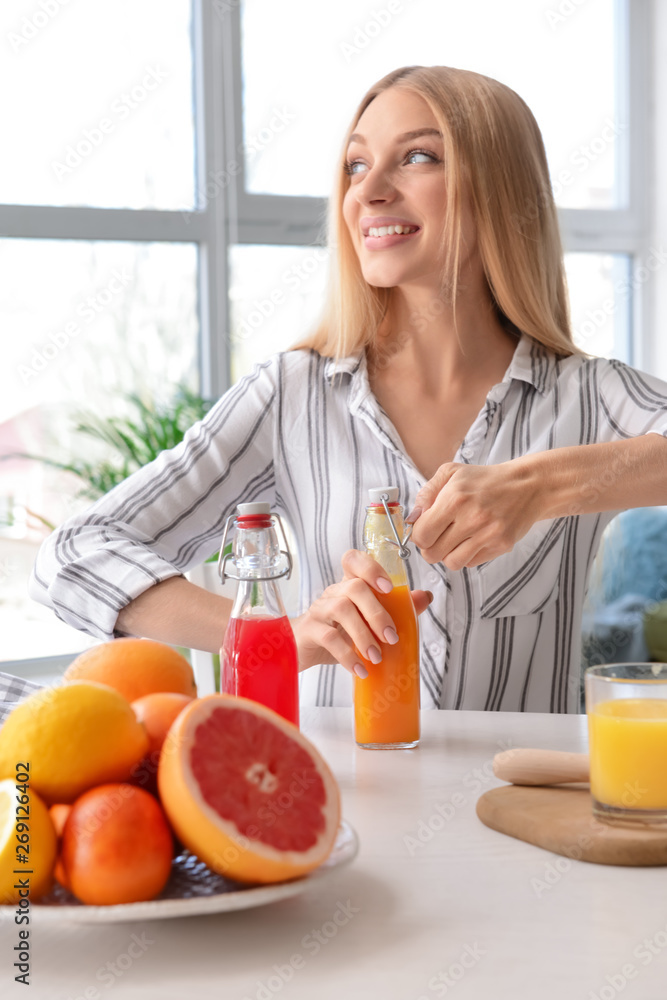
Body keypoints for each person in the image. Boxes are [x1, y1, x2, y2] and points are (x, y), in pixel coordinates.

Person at [30, 65, 667, 714]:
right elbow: (74, 557)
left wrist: (539, 486)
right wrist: (278, 636)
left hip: (517, 813)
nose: (369, 192)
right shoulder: (291, 394)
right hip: (338, 809)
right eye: (356, 166)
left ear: (502, 192)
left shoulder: (588, 396)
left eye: (417, 156)